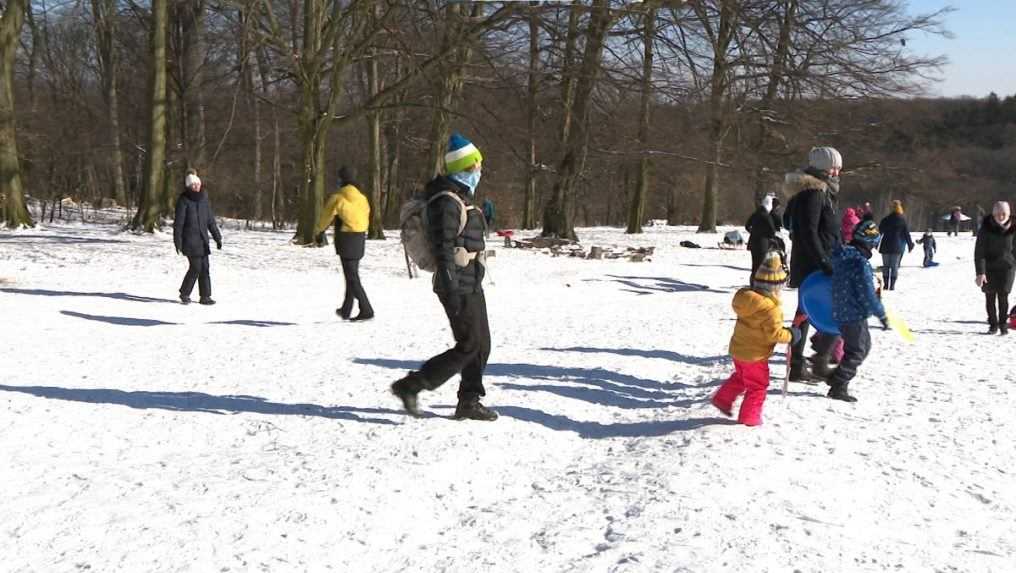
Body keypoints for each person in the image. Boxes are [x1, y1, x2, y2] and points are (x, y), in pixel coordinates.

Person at [391, 133, 496, 421]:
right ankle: (410, 386)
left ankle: (469, 400)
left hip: (471, 280)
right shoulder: (445, 200)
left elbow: (466, 236)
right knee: (468, 345)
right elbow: (443, 243)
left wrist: (485, 219)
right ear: (465, 167)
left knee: (481, 343)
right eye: (477, 166)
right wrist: (448, 277)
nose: (480, 171)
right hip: (455, 282)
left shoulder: (459, 197)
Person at [711, 252, 799, 426]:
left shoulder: (747, 301)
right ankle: (749, 418)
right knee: (757, 386)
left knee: (740, 377)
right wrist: (791, 335)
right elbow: (774, 334)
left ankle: (722, 399)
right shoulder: (770, 309)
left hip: (739, 350)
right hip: (755, 356)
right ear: (774, 287)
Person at [783, 146, 843, 381]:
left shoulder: (821, 191)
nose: (838, 171)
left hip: (818, 261)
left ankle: (806, 361)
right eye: (834, 167)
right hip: (814, 264)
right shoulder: (814, 193)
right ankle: (803, 363)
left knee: (808, 312)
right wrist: (824, 262)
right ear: (823, 168)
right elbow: (808, 232)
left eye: (839, 167)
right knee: (812, 312)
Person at [814, 220, 890, 401]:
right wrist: (881, 314)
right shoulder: (859, 263)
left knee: (863, 347)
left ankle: (837, 377)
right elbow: (868, 294)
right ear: (870, 242)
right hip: (854, 314)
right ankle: (838, 384)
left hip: (841, 310)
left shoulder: (842, 257)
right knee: (856, 351)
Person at [315, 166, 373, 321]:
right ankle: (346, 309)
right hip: (360, 237)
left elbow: (326, 215)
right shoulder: (362, 198)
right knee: (351, 275)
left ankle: (367, 309)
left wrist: (319, 231)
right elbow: (367, 213)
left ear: (341, 179)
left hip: (346, 238)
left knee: (352, 277)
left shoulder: (338, 197)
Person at [173, 170, 222, 305]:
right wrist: (177, 241)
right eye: (193, 185)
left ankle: (205, 296)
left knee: (205, 268)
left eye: (198, 184)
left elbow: (210, 221)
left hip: (202, 240)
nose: (196, 186)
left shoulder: (204, 199)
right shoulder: (183, 201)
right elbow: (178, 224)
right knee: (195, 267)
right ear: (188, 186)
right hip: (189, 241)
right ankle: (184, 293)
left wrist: (217, 237)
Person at [974, 201, 1016, 335]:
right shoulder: (985, 228)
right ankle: (993, 324)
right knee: (990, 297)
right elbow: (979, 252)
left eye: (1004, 213)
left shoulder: (1013, 228)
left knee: (1003, 297)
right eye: (998, 213)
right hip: (989, 268)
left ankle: (1003, 324)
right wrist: (980, 272)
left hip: (1007, 268)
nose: (1001, 216)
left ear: (1008, 214)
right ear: (993, 214)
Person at [877, 200, 915, 291]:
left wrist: (875, 243)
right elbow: (906, 234)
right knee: (894, 267)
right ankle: (892, 285)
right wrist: (910, 245)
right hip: (897, 246)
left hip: (885, 245)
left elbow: (879, 232)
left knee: (886, 266)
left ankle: (886, 285)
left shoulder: (886, 219)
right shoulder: (902, 220)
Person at [745, 194, 778, 278]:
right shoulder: (767, 216)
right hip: (762, 244)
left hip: (753, 242)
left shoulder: (756, 213)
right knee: (760, 266)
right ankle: (758, 283)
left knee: (754, 265)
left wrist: (753, 232)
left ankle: (752, 282)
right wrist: (768, 236)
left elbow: (747, 226)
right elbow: (772, 230)